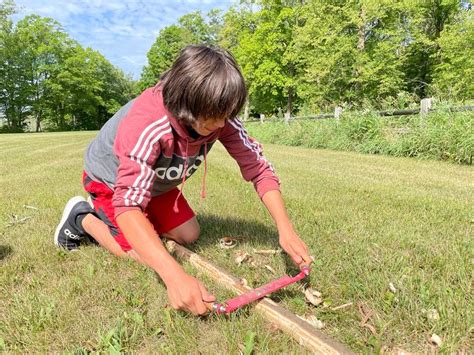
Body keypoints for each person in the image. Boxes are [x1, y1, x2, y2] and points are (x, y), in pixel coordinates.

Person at [54, 45, 312, 316]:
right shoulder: (147, 123)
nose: (222, 125)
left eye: (226, 116)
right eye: (213, 118)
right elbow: (128, 205)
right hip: (110, 180)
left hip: (154, 183)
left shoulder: (219, 115)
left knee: (189, 234)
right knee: (140, 256)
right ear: (185, 105)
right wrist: (173, 275)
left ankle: (140, 223)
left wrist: (285, 229)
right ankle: (81, 217)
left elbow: (258, 168)